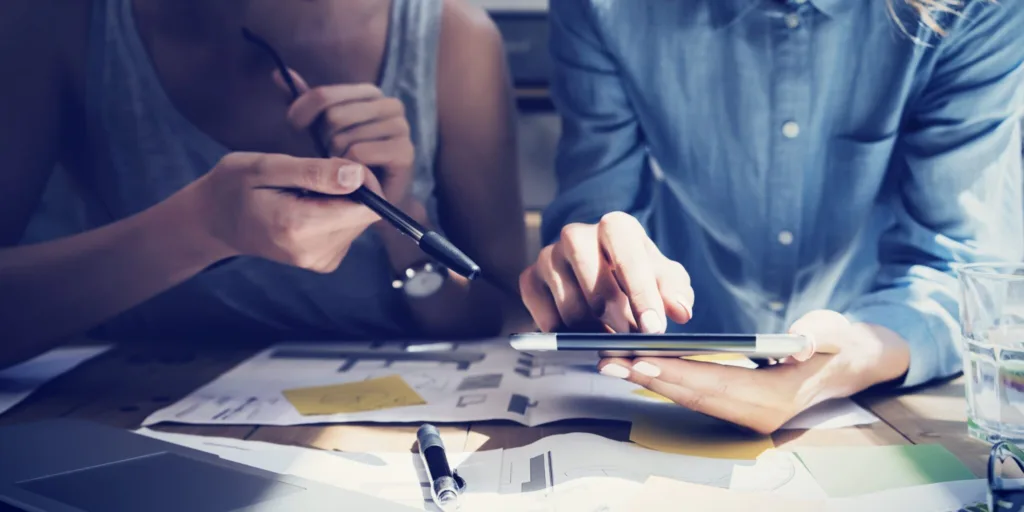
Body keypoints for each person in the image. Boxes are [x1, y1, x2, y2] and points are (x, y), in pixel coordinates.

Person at [521, 0, 1024, 434]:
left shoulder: (973, 11)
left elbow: (958, 267)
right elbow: (597, 199)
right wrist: (591, 264)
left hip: (879, 388)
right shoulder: (603, 9)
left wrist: (856, 358)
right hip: (658, 377)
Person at [0, 0, 525, 368]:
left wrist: (399, 218)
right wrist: (199, 228)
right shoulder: (61, 20)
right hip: (116, 419)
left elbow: (500, 314)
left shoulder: (452, 36)